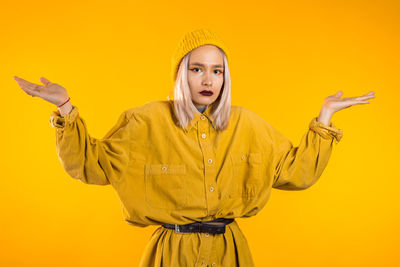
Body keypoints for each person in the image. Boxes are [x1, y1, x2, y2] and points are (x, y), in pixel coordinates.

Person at [14, 28, 375, 267]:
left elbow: (298, 172)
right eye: (197, 69)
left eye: (217, 71)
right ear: (180, 73)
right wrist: (65, 108)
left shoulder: (247, 124)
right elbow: (89, 165)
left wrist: (325, 116)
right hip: (171, 255)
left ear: (226, 76)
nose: (208, 80)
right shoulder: (146, 121)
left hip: (230, 253)